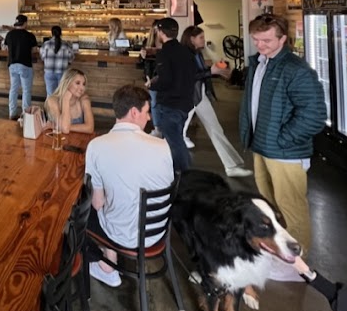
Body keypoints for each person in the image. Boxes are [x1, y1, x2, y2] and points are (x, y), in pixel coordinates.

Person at [239, 13, 325, 281]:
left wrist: (281, 139)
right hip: (262, 146)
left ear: (283, 39)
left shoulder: (296, 70)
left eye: (266, 40)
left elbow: (314, 116)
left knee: (292, 207)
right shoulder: (260, 63)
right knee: (271, 206)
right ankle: (280, 252)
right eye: (256, 39)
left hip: (284, 152)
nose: (260, 45)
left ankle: (298, 265)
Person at [85, 84, 174, 287]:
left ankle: (107, 267)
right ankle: (109, 260)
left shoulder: (96, 146)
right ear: (134, 112)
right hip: (156, 233)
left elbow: (98, 204)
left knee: (80, 211)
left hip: (121, 236)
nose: (149, 117)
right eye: (147, 111)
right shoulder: (163, 146)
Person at [180, 26, 252, 178]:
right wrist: (211, 71)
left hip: (198, 96)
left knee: (215, 129)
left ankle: (231, 166)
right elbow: (188, 76)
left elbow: (199, 73)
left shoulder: (197, 53)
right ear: (192, 39)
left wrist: (214, 70)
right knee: (176, 133)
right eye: (201, 37)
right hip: (189, 97)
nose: (204, 40)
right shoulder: (184, 55)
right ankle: (168, 167)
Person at [147, 17, 195, 173]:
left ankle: (184, 174)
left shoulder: (164, 53)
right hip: (185, 102)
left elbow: (165, 81)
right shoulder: (186, 51)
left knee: (174, 142)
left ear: (161, 32)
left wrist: (152, 84)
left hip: (170, 104)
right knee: (176, 139)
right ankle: (177, 171)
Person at [4, 14, 38, 120]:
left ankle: (12, 113)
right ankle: (25, 114)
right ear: (25, 23)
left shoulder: (9, 34)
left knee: (13, 89)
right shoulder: (30, 35)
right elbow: (34, 50)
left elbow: (5, 48)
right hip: (25, 64)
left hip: (12, 64)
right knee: (26, 90)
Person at [44, 67, 94, 135]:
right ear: (67, 83)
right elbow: (65, 129)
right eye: (77, 83)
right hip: (58, 139)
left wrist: (56, 126)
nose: (82, 88)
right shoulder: (52, 101)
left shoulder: (84, 100)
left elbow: (90, 128)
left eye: (83, 84)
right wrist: (66, 99)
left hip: (79, 140)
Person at [40, 25, 75, 96]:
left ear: (51, 33)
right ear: (61, 33)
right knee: (62, 94)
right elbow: (71, 57)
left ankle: (50, 104)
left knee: (50, 95)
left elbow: (42, 57)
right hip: (62, 72)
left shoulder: (46, 44)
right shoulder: (66, 45)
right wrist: (68, 62)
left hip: (49, 72)